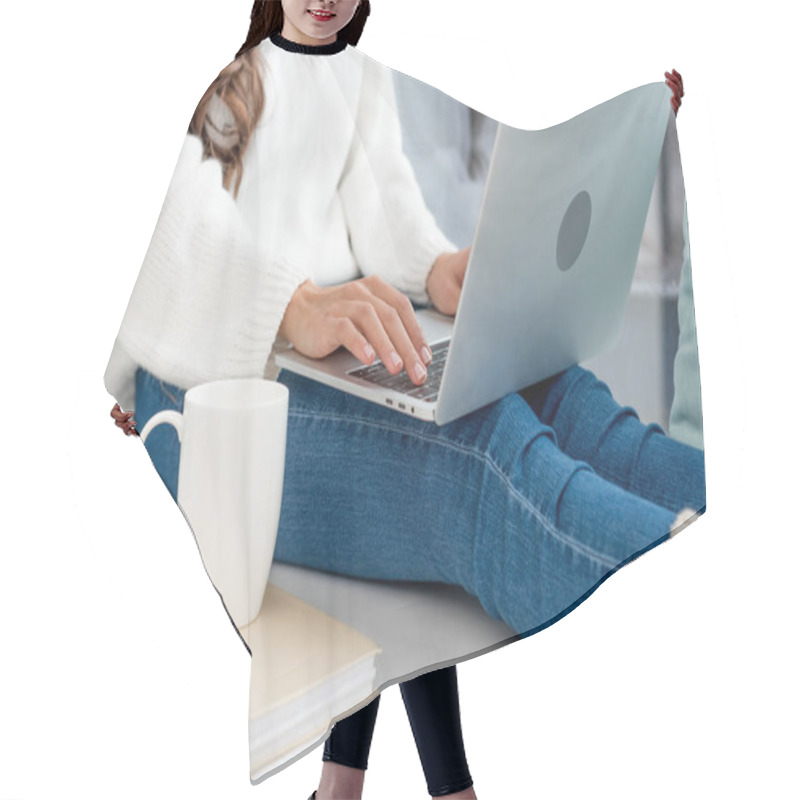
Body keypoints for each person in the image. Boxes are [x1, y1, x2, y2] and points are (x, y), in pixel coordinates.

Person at [108, 1, 698, 796]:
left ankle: (349, 787)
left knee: (556, 395)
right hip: (211, 396)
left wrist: (439, 270)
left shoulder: (358, 78)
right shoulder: (232, 85)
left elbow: (382, 204)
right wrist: (291, 303)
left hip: (311, 366)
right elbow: (180, 226)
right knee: (477, 441)